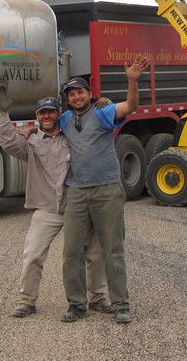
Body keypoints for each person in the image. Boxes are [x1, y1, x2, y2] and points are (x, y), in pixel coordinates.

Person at [0, 85, 110, 318]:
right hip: (47, 208)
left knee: (94, 253)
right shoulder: (31, 143)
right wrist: (3, 114)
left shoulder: (72, 136)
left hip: (77, 206)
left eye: (51, 112)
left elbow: (92, 126)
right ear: (37, 117)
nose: (46, 116)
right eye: (42, 113)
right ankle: (26, 300)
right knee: (33, 253)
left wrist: (101, 104)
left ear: (59, 114)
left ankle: (98, 297)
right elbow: (8, 142)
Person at [59, 56, 148, 324]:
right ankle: (77, 305)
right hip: (76, 191)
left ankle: (121, 304)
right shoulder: (64, 120)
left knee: (112, 249)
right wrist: (28, 131)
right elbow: (44, 125)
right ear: (68, 99)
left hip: (107, 189)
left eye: (80, 92)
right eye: (72, 94)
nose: (76, 97)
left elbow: (131, 106)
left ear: (89, 94)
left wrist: (132, 81)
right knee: (71, 252)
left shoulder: (102, 114)